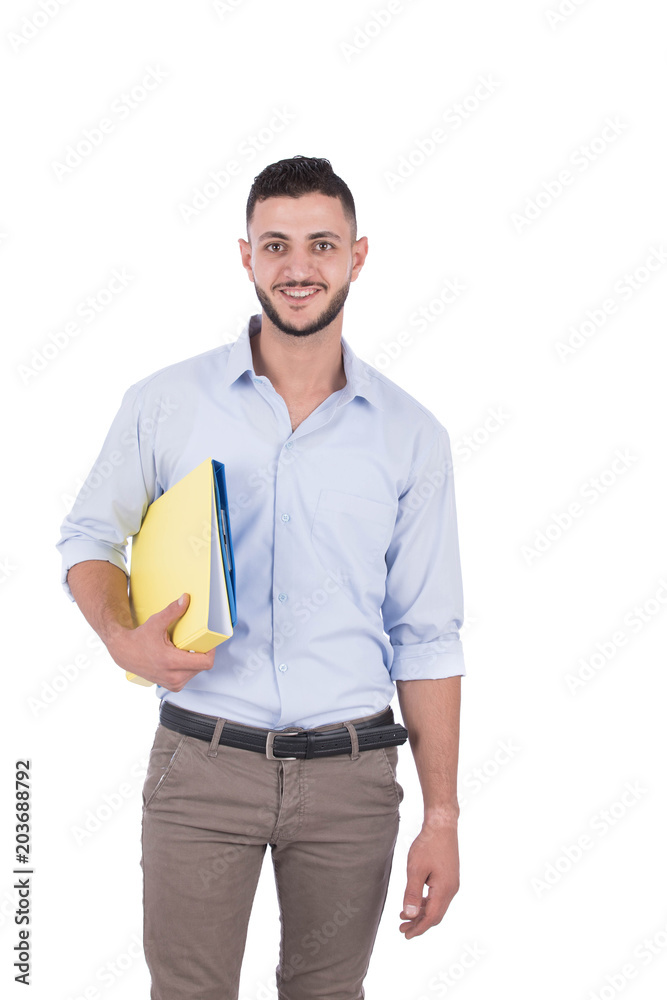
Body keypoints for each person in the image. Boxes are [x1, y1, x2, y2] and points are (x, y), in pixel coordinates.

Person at [56, 154, 466, 1000]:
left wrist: (442, 816)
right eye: (275, 245)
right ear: (246, 256)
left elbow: (426, 633)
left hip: (351, 777)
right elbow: (90, 533)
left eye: (321, 244)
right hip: (203, 764)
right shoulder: (165, 402)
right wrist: (117, 631)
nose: (298, 266)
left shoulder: (411, 434)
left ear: (357, 256)